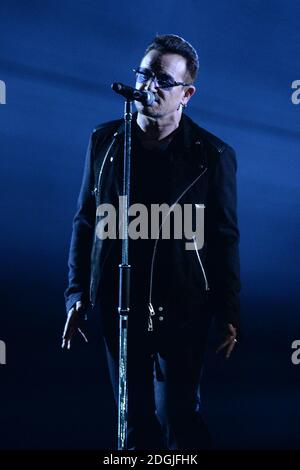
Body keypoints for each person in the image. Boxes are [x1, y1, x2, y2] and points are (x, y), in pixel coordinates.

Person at [62, 34, 241, 450]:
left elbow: (223, 236)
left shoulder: (212, 155)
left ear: (187, 94)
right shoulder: (104, 143)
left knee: (180, 416)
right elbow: (86, 221)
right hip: (118, 303)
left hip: (185, 306)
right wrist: (76, 295)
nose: (149, 87)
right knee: (133, 418)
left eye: (163, 79)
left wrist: (228, 308)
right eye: (143, 75)